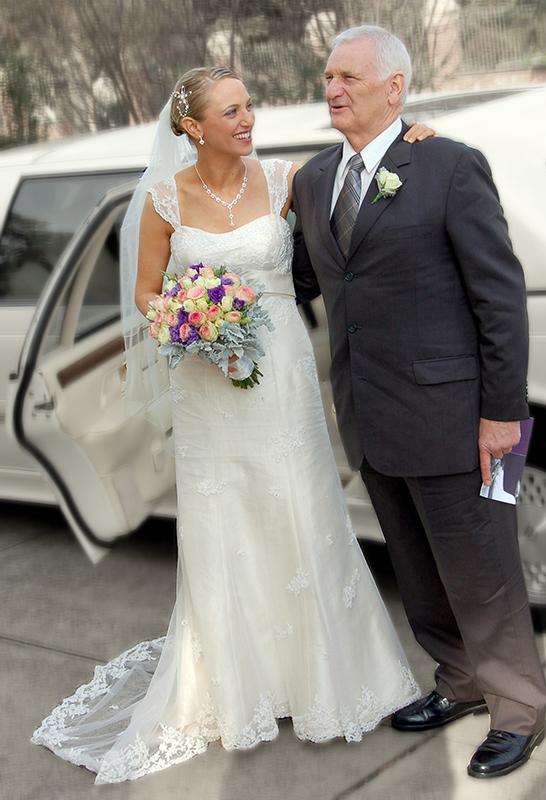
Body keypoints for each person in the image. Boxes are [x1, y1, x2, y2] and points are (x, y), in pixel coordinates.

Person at [29, 66, 435, 785]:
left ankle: (324, 678)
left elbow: (363, 180)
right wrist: (189, 325)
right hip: (206, 383)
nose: (249, 119)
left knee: (300, 508)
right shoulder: (161, 200)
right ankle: (237, 685)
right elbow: (147, 292)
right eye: (231, 110)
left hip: (280, 374)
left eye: (250, 105)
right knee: (227, 520)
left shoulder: (286, 181)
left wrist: (416, 139)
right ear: (192, 127)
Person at [291, 25, 546, 780]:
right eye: (328, 76)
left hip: (455, 419)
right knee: (416, 567)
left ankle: (519, 709)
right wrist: (210, 307)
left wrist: (503, 413)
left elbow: (498, 300)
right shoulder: (310, 181)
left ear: (396, 89)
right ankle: (460, 680)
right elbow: (304, 281)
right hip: (368, 418)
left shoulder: (447, 166)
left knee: (484, 574)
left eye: (349, 77)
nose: (332, 89)